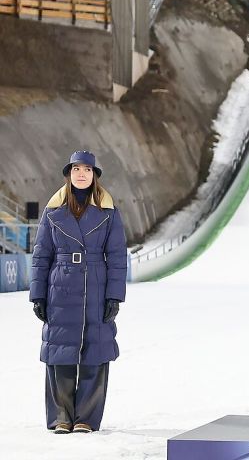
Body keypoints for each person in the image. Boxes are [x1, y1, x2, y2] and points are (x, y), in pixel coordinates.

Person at [30, 150, 127, 434]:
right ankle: (61, 416)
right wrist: (38, 294)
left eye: (87, 169)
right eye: (76, 169)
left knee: (94, 352)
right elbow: (41, 254)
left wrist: (114, 295)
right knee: (59, 354)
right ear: (69, 174)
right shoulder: (53, 211)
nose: (81, 174)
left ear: (95, 174)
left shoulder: (108, 212)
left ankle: (86, 417)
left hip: (96, 285)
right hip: (60, 287)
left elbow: (118, 256)